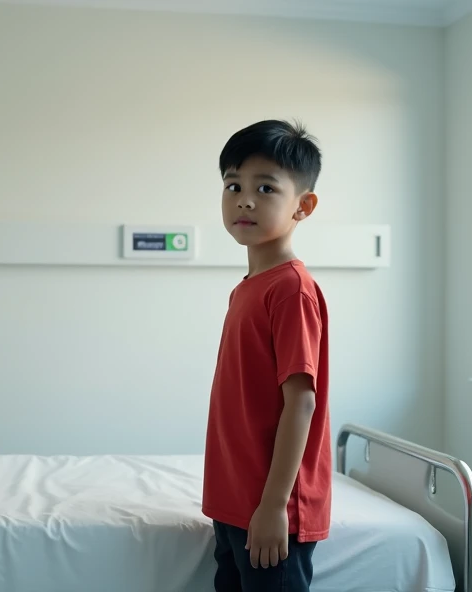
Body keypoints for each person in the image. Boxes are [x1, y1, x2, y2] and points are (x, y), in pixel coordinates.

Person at [202, 119, 332, 591]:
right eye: (233, 185)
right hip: (235, 500)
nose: (245, 199)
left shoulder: (291, 289)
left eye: (265, 188)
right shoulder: (248, 289)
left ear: (304, 206)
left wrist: (275, 505)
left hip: (272, 505)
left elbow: (301, 402)